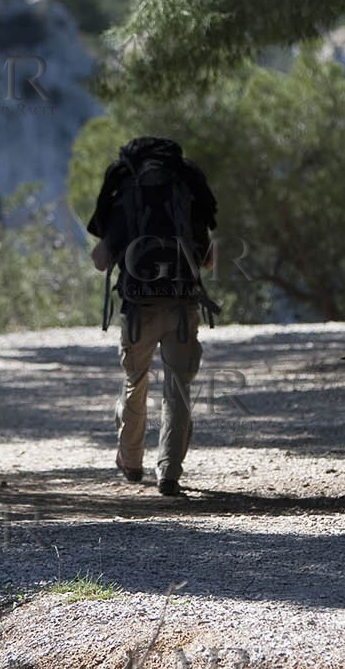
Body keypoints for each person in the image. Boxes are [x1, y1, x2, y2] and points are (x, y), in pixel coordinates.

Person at [87, 136, 217, 497]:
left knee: (135, 381)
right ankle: (169, 472)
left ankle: (130, 461)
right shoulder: (184, 195)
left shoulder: (125, 197)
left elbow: (100, 260)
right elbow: (207, 259)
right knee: (178, 388)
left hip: (137, 311)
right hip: (180, 308)